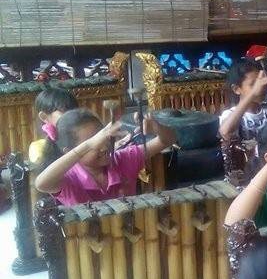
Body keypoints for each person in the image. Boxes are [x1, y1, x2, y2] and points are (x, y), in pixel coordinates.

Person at [34, 110, 176, 206]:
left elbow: (166, 140)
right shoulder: (68, 178)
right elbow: (41, 184)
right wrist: (89, 144)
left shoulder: (123, 158)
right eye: (96, 143)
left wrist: (157, 128)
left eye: (104, 138)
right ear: (70, 151)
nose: (103, 147)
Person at [27, 87, 78, 169]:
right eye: (64, 111)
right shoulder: (38, 148)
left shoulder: (83, 137)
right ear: (44, 117)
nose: (72, 115)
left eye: (74, 110)